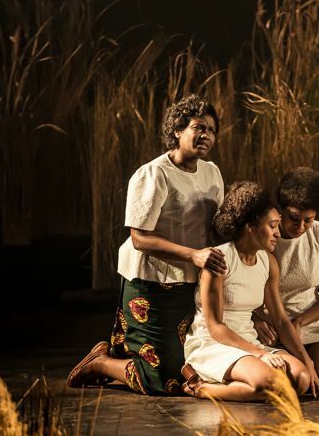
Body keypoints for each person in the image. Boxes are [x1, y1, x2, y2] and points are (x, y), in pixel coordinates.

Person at [66, 94, 227, 395]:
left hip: (190, 279)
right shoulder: (153, 174)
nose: (206, 135)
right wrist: (193, 254)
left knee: (187, 369)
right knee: (163, 380)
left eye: (212, 130)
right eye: (198, 127)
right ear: (178, 131)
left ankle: (117, 359)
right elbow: (140, 238)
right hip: (152, 280)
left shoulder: (212, 172)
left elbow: (214, 225)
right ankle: (100, 362)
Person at [182, 181, 319, 401]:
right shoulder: (219, 260)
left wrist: (308, 362)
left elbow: (280, 320)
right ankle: (201, 387)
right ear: (250, 227)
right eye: (272, 226)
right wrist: (259, 354)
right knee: (270, 385)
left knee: (302, 379)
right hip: (214, 343)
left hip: (248, 339)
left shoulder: (268, 262)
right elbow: (215, 327)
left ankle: (246, 377)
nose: (278, 233)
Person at [253, 167, 319, 392]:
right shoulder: (263, 234)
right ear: (281, 209)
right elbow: (236, 284)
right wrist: (254, 319)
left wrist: (300, 322)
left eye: (308, 219)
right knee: (289, 383)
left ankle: (307, 363)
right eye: (294, 218)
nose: (300, 227)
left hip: (311, 319)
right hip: (268, 323)